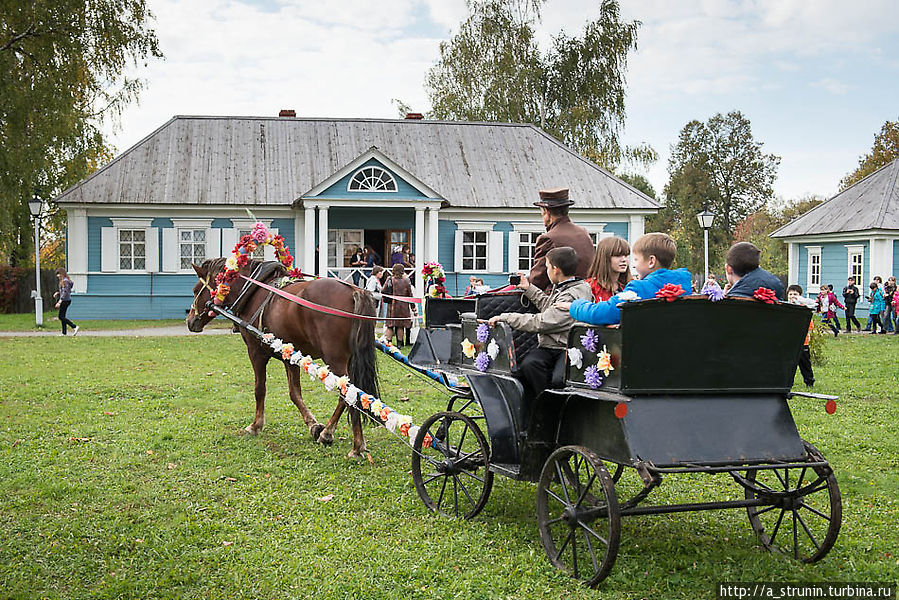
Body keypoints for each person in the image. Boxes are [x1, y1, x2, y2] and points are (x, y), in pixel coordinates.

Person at [488, 247, 592, 399]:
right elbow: (549, 308)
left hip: (566, 348)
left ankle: (548, 406)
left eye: (548, 267)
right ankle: (537, 403)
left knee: (558, 380)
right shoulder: (567, 287)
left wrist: (506, 317)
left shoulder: (572, 293)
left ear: (555, 269)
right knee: (529, 365)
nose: (547, 271)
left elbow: (542, 322)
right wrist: (528, 288)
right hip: (552, 346)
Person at [561, 232, 692, 326]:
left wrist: (575, 306)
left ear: (651, 261)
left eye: (635, 259)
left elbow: (603, 313)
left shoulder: (638, 288)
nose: (633, 264)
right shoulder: (685, 286)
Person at [527, 187, 595, 292]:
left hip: (559, 296)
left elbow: (537, 281)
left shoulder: (548, 238)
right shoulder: (583, 232)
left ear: (546, 212)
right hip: (587, 292)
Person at [584, 236, 632, 302]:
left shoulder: (630, 286)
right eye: (618, 256)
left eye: (626, 255)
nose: (624, 260)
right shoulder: (590, 287)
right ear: (605, 258)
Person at [787, 284, 815, 387]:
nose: (792, 296)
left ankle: (809, 381)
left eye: (795, 294)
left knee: (805, 363)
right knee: (789, 364)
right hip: (789, 342)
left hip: (803, 342)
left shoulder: (804, 309)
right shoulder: (786, 308)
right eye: (790, 294)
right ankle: (788, 382)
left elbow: (810, 325)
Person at [385, 263, 416, 346]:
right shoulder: (406, 280)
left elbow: (383, 290)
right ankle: (399, 344)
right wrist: (413, 307)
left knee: (390, 326)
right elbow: (410, 294)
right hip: (403, 306)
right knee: (400, 326)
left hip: (392, 306)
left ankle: (389, 342)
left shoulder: (389, 279)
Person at [53, 268, 79, 336]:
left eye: (58, 274)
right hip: (65, 300)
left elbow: (66, 292)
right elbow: (64, 290)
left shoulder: (65, 281)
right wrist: (58, 293)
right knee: (63, 316)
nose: (57, 276)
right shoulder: (63, 281)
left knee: (61, 317)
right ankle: (64, 333)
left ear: (62, 274)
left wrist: (60, 301)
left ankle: (74, 326)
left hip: (65, 300)